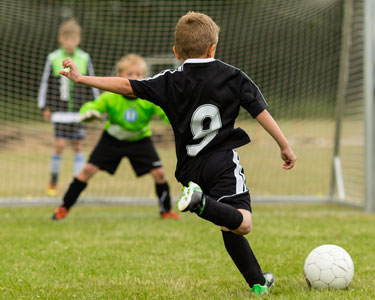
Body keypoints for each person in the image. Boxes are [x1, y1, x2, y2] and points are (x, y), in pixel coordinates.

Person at [59, 11, 296, 295]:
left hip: (189, 169)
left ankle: (258, 283)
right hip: (221, 162)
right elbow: (260, 112)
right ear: (213, 47)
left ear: (175, 51)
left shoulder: (169, 80)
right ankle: (200, 203)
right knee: (242, 222)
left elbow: (125, 85)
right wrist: (284, 145)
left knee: (227, 223)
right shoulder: (233, 76)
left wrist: (82, 78)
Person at [52, 54, 179, 221]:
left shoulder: (149, 98)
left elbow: (167, 113)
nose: (135, 78)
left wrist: (177, 121)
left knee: (159, 174)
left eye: (139, 74)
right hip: (112, 139)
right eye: (130, 74)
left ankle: (165, 211)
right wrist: (88, 113)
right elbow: (91, 107)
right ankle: (64, 207)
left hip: (140, 140)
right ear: (119, 77)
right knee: (87, 171)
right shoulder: (110, 96)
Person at [38, 18, 99, 196]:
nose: (70, 43)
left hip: (79, 113)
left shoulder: (84, 58)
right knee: (60, 145)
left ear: (78, 40)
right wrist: (45, 107)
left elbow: (92, 83)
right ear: (60, 39)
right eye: (67, 39)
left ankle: (75, 184)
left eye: (73, 39)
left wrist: (94, 106)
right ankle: (53, 181)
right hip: (59, 112)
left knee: (78, 146)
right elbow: (45, 83)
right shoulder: (53, 58)